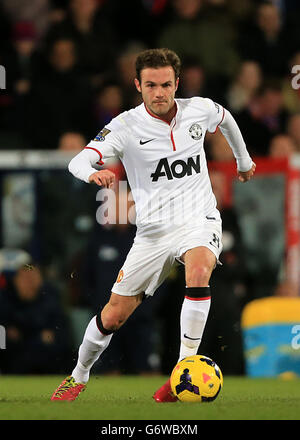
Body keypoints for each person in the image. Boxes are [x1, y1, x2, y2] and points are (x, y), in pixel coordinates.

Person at [51, 48, 256, 402]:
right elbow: (78, 161)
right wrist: (92, 172)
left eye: (165, 84)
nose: (159, 93)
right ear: (137, 85)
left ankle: (182, 373)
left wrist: (243, 160)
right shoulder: (124, 127)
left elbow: (225, 119)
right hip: (153, 234)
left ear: (177, 83)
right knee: (113, 316)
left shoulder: (199, 109)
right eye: (150, 85)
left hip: (198, 218)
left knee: (199, 269)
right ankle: (78, 375)